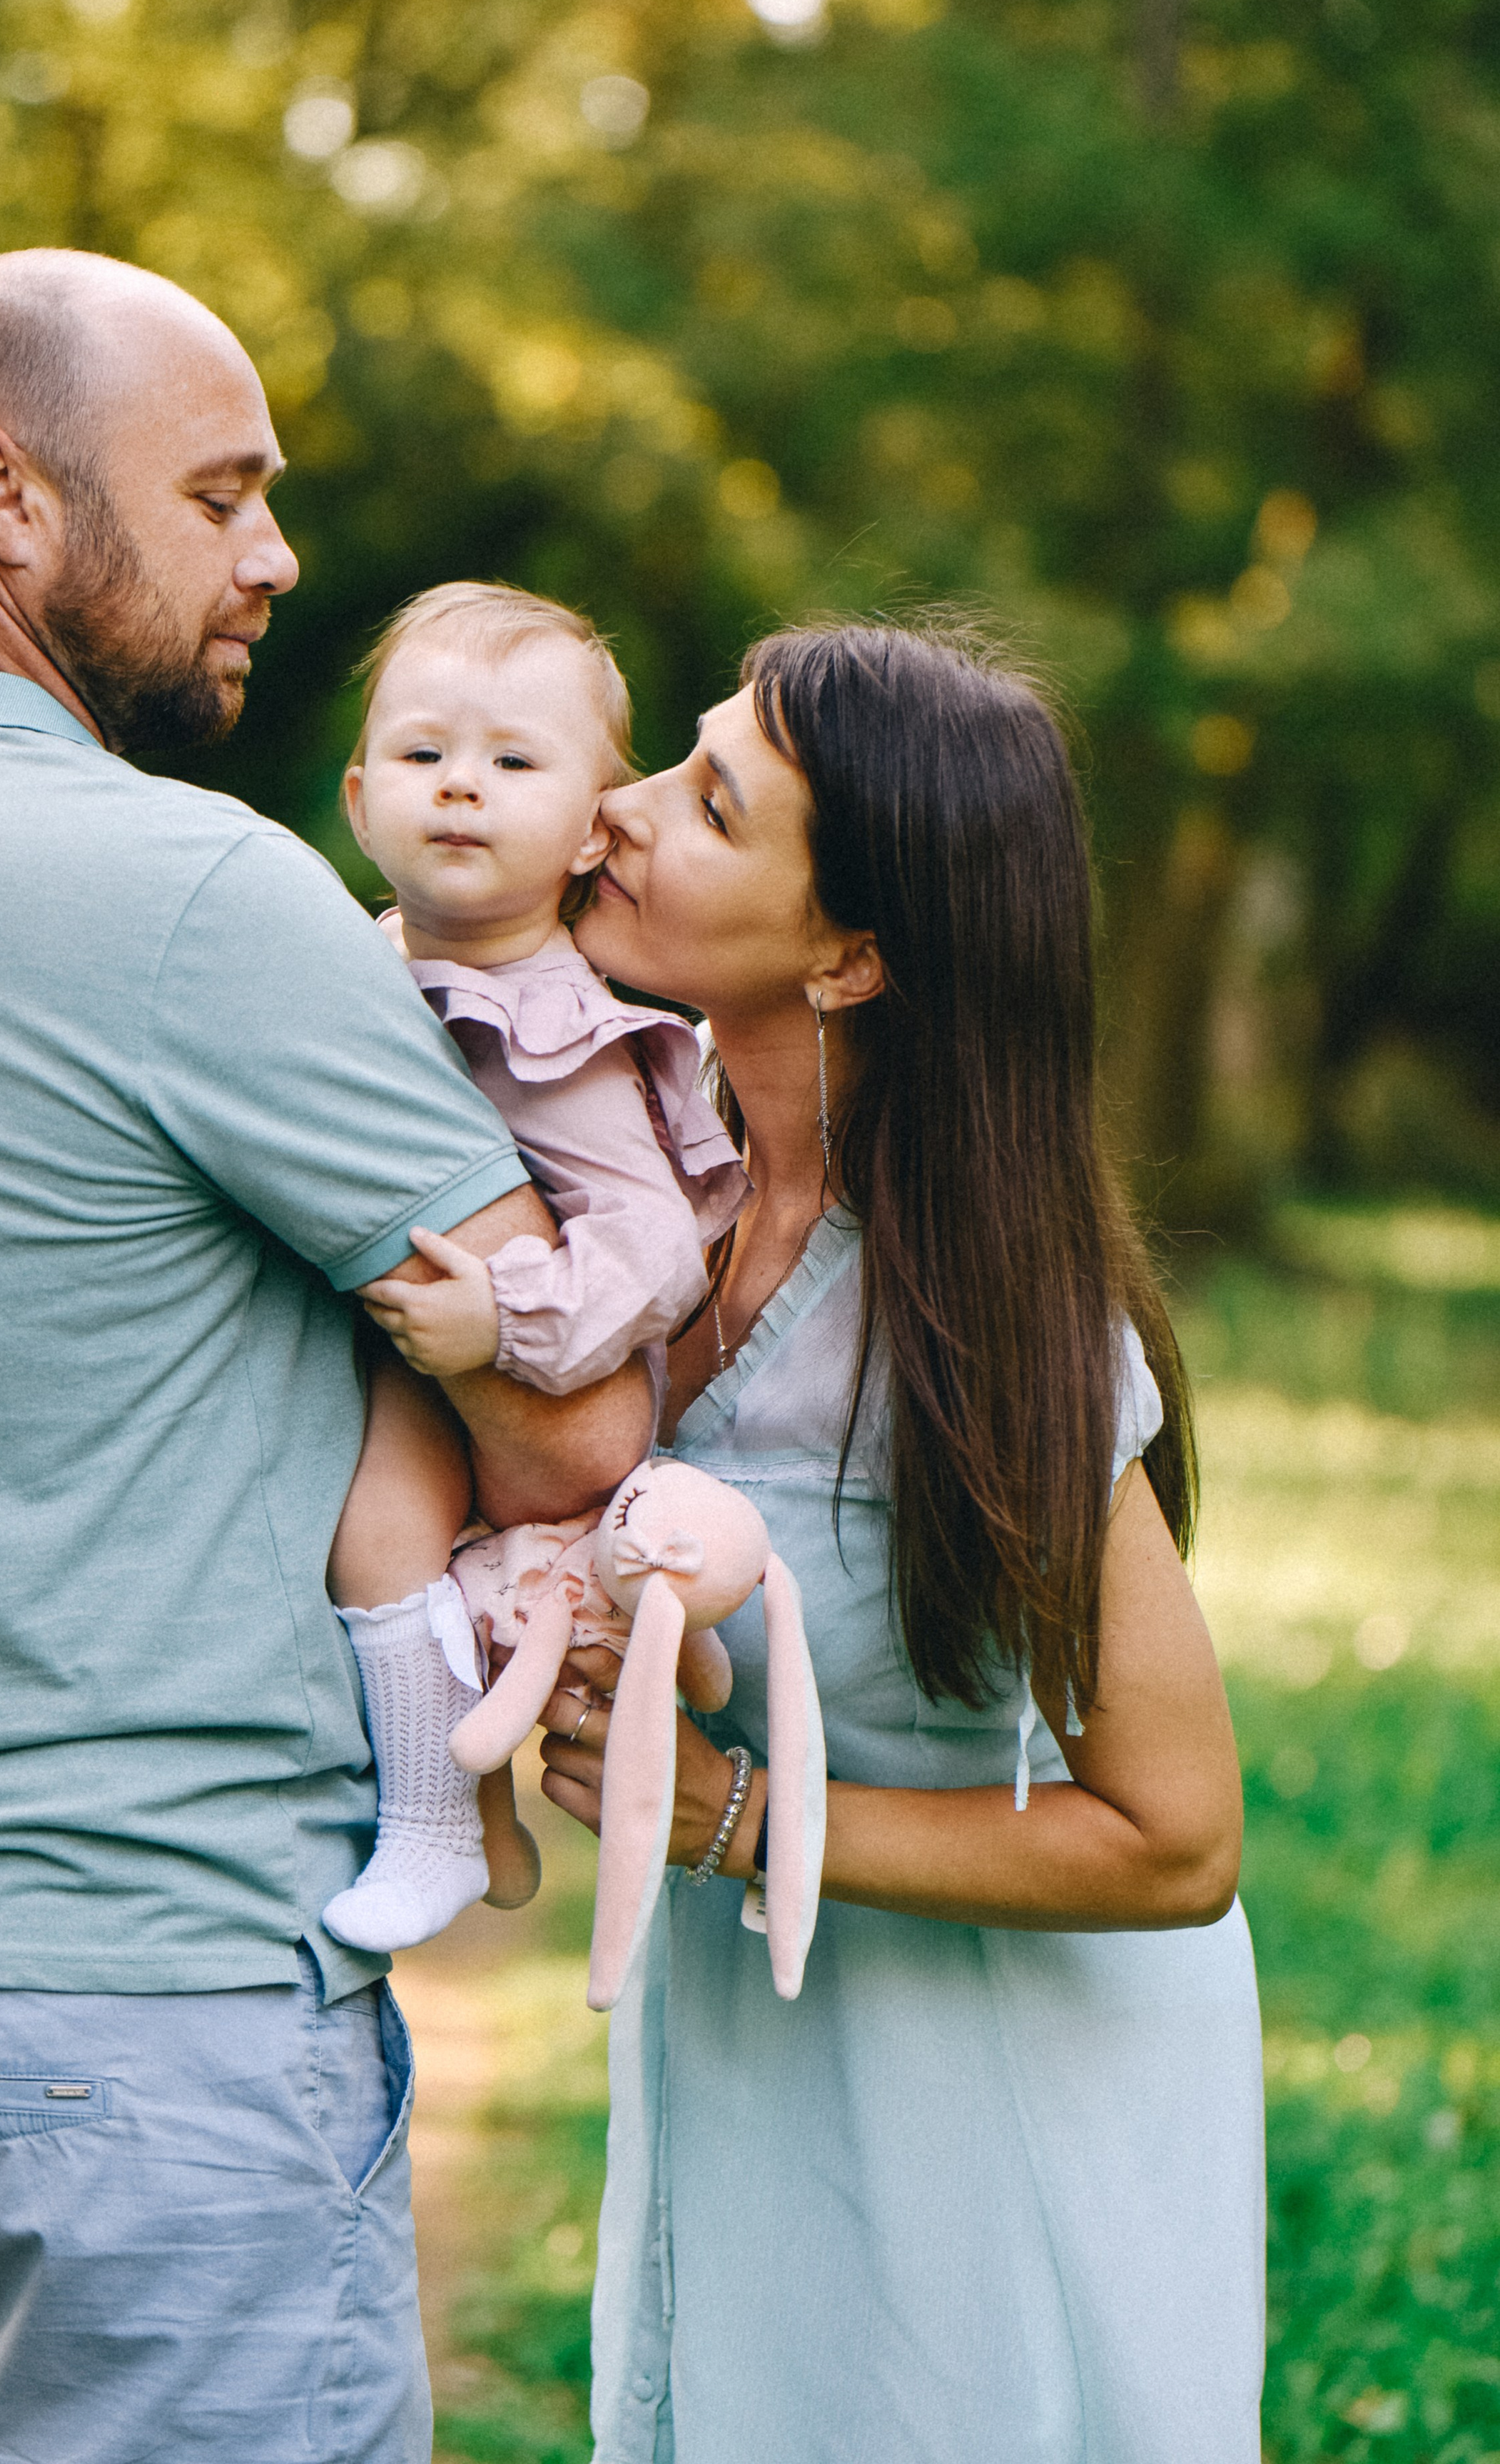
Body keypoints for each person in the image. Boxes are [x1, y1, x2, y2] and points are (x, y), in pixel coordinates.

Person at [0, 249, 652, 2464]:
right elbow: (575, 1401)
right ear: (0, 495)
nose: (279, 557)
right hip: (143, 2036)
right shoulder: (197, 897)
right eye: (223, 494)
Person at [537, 623, 1265, 2461]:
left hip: (988, 2106)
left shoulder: (991, 1337)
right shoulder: (636, 1204)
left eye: (703, 803)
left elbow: (1173, 1838)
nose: (611, 812)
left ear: (847, 953)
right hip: (748, 2051)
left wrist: (740, 1824)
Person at [321, 581, 749, 1956]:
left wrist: (505, 1317)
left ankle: (437, 1825)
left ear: (584, 833)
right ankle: (474, 1824)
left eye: (512, 763)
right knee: (371, 1552)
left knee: (381, 1537)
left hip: (512, 1383)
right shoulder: (337, 968)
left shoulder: (565, 1031)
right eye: (422, 754)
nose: (460, 788)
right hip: (380, 1360)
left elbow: (656, 1248)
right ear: (356, 798)